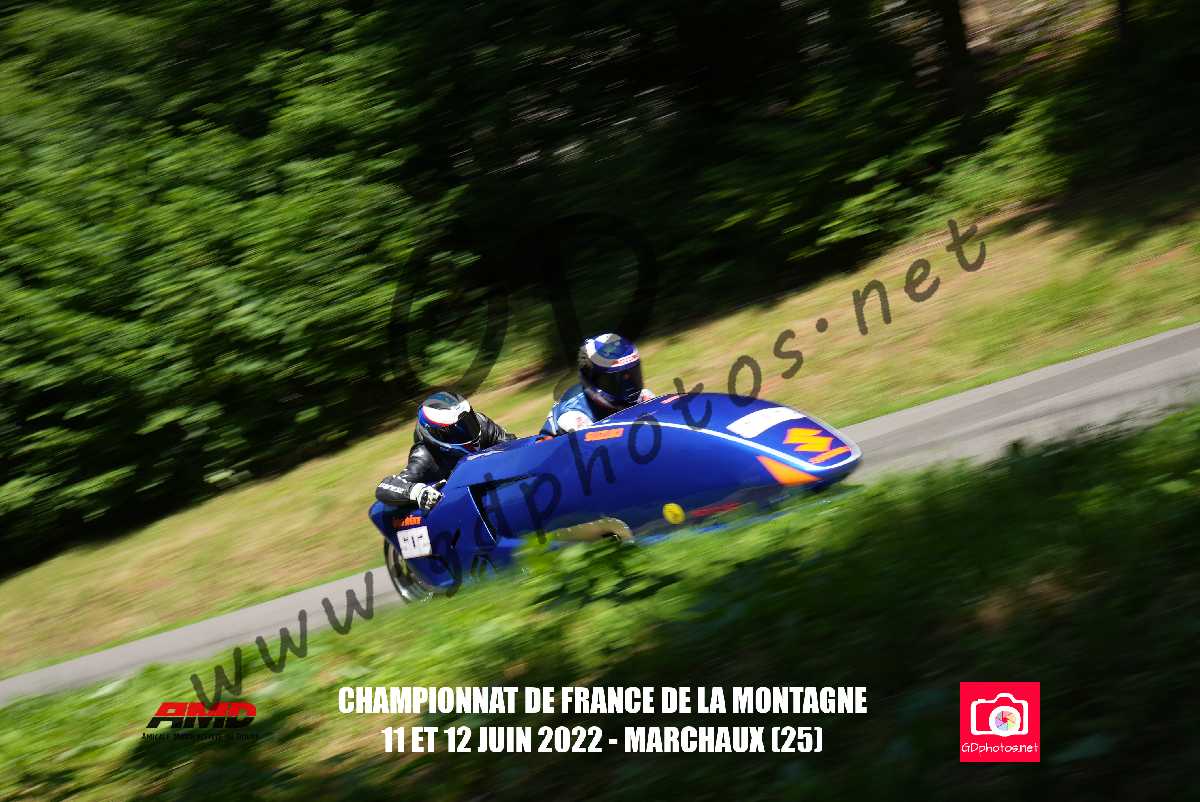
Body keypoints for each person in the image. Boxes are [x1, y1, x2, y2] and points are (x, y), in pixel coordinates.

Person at [375, 391, 516, 511]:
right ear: (438, 434)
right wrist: (417, 492)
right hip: (457, 509)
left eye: (468, 420)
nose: (468, 429)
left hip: (495, 491)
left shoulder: (482, 424)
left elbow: (514, 446)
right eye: (458, 428)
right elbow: (385, 487)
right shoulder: (425, 455)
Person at [540, 333, 654, 436]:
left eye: (633, 375)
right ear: (592, 380)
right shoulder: (575, 416)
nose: (629, 385)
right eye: (615, 380)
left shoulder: (642, 397)